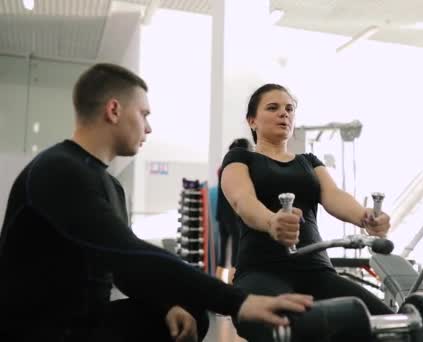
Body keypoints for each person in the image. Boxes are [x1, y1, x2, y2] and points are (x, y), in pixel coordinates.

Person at [0, 65, 312, 342]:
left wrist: (166, 305)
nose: (148, 128)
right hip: (39, 329)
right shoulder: (58, 170)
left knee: (189, 314)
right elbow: (128, 253)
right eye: (144, 114)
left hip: (84, 321)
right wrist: (240, 301)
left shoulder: (110, 185)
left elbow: (125, 271)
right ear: (113, 110)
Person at [220, 83, 394, 341]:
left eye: (289, 109)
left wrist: (365, 217)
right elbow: (242, 201)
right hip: (261, 270)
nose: (284, 114)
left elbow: (334, 196)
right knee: (284, 329)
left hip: (317, 272)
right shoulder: (240, 159)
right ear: (252, 120)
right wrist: (271, 222)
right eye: (273, 108)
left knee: (388, 324)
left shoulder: (309, 162)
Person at [216, 138, 254, 284]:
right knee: (235, 252)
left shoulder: (222, 168)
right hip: (232, 214)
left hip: (221, 214)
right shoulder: (237, 168)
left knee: (223, 251)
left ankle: (219, 284)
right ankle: (232, 285)